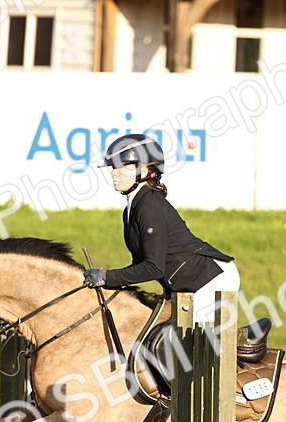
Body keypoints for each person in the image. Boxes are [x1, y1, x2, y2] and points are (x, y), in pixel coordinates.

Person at [83, 134, 240, 327]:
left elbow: (153, 268)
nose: (114, 173)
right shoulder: (131, 209)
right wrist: (109, 282)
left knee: (185, 344)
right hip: (185, 287)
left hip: (211, 281)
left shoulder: (149, 205)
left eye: (124, 166)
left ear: (147, 169)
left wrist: (107, 277)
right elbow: (139, 265)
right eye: (113, 167)